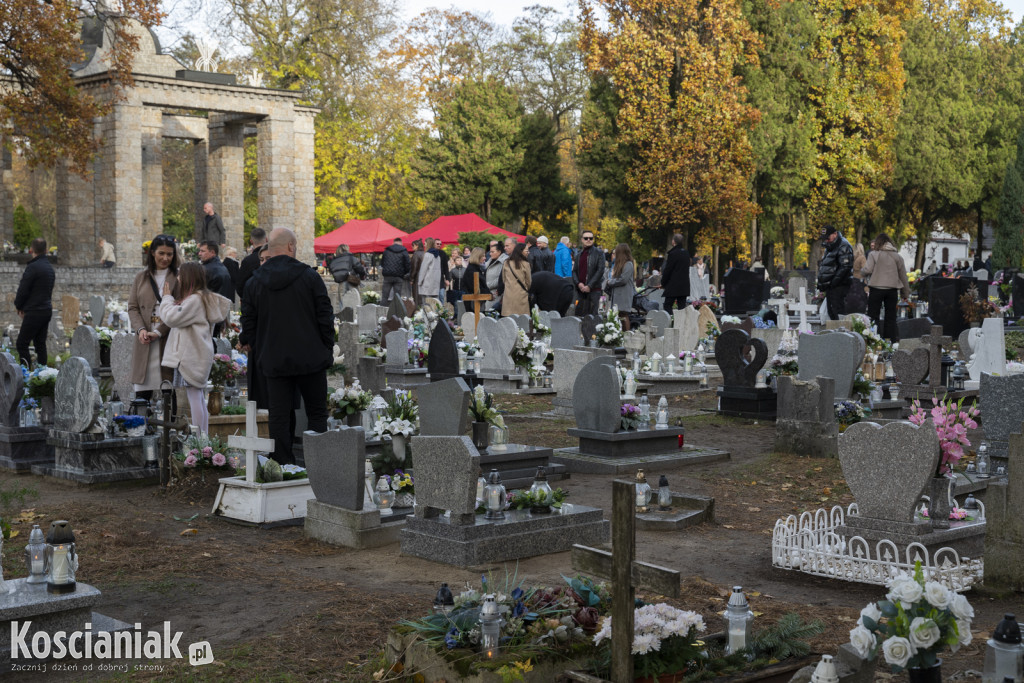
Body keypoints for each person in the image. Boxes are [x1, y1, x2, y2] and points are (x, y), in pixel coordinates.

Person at [239, 228, 333, 465]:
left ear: (270, 247)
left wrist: (249, 340)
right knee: (316, 413)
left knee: (279, 414)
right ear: (291, 246)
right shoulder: (310, 277)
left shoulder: (254, 282)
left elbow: (248, 321)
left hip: (273, 357)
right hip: (310, 355)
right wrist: (326, 348)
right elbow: (325, 315)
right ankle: (318, 463)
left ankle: (282, 462)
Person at [159, 263, 231, 435]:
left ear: (188, 278)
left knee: (195, 398)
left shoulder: (195, 300)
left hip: (190, 356)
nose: (178, 279)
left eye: (180, 275)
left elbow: (171, 318)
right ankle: (203, 438)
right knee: (198, 397)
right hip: (197, 354)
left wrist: (167, 298)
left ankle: (200, 439)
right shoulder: (202, 298)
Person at [128, 234, 181, 401]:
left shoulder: (179, 277)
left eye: (169, 254)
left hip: (168, 337)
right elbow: (133, 307)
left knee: (169, 389)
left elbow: (181, 309)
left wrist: (159, 331)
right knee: (142, 392)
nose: (165, 258)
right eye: (161, 253)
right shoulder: (141, 277)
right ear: (152, 253)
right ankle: (140, 425)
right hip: (145, 338)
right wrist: (141, 329)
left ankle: (170, 425)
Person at [861, 233, 911, 342]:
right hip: (892, 290)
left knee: (873, 317)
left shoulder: (874, 254)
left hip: (876, 288)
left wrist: (862, 272)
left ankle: (874, 341)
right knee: (891, 318)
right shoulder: (898, 257)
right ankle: (890, 342)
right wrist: (905, 294)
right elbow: (903, 276)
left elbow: (867, 270)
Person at [14, 238, 55, 368]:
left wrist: (19, 306)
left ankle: (25, 375)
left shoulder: (33, 267)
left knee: (22, 343)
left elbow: (23, 290)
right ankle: (42, 375)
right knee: (40, 344)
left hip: (34, 311)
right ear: (46, 250)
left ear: (32, 250)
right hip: (46, 310)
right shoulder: (49, 268)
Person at [816, 225, 854, 319]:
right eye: (824, 239)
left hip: (839, 285)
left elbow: (845, 267)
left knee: (838, 312)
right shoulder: (830, 246)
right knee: (832, 312)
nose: (826, 240)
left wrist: (833, 282)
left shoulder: (843, 245)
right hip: (832, 286)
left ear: (835, 234)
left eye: (828, 238)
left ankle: (840, 332)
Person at [572, 230, 605, 316]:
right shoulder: (579, 255)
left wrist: (589, 285)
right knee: (579, 316)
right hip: (581, 291)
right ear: (582, 240)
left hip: (594, 290)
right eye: (586, 238)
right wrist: (578, 283)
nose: (588, 240)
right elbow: (574, 271)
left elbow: (600, 270)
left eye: (591, 238)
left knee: (593, 318)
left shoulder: (599, 253)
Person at [606, 243, 636, 331]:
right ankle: (619, 335)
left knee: (624, 315)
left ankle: (627, 335)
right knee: (618, 315)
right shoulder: (620, 264)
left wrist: (611, 282)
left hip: (624, 294)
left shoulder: (628, 264)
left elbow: (623, 280)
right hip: (618, 294)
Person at [659, 233, 691, 313]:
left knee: (667, 305)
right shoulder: (686, 253)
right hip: (684, 285)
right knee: (682, 307)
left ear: (673, 242)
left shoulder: (673, 254)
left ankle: (673, 322)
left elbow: (668, 270)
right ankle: (681, 324)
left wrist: (663, 283)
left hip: (673, 284)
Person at [500, 241, 532, 316]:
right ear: (521, 251)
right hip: (521, 295)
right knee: (521, 320)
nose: (528, 252)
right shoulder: (526, 264)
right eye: (527, 250)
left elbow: (504, 279)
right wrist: (525, 289)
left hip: (508, 295)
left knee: (508, 319)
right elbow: (529, 282)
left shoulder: (506, 262)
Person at [236, 228, 267, 301]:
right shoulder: (273, 257)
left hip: (252, 302)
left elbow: (240, 286)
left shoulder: (247, 261)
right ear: (266, 239)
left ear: (251, 241)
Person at [381, 236, 411, 302]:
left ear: (393, 243)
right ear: (401, 243)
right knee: (397, 297)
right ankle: (396, 311)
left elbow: (382, 263)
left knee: (384, 296)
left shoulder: (386, 251)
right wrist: (405, 273)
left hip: (387, 276)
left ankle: (382, 310)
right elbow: (408, 264)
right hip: (399, 276)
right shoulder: (404, 251)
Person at [484, 241, 507, 309]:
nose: (490, 254)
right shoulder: (491, 260)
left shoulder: (504, 261)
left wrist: (488, 285)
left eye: (492, 252)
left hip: (497, 293)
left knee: (492, 314)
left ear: (499, 252)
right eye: (490, 252)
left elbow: (502, 277)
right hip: (488, 292)